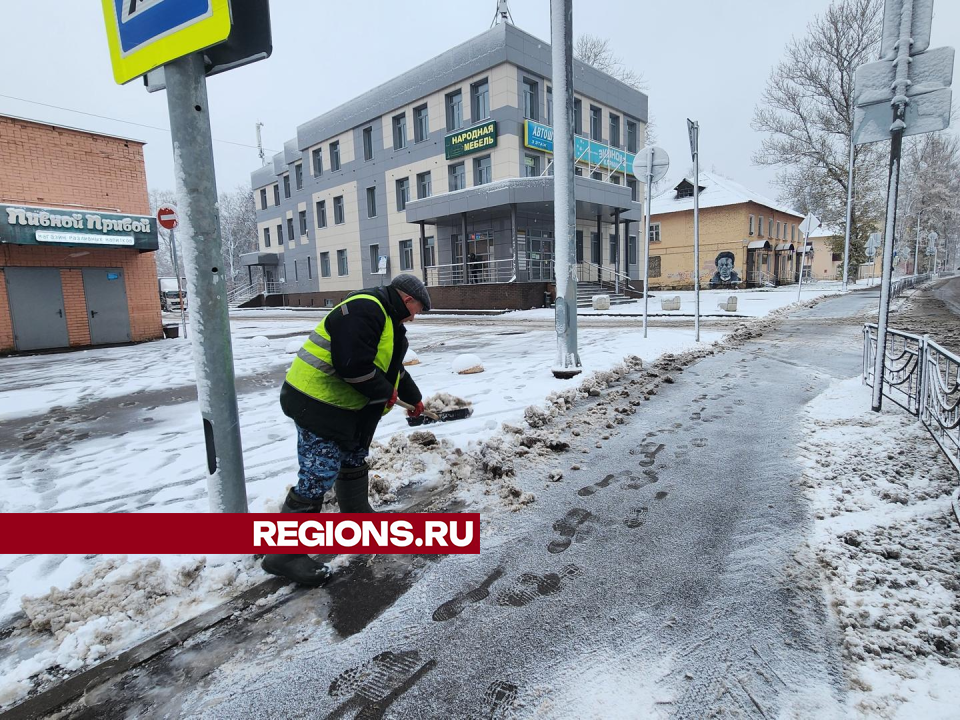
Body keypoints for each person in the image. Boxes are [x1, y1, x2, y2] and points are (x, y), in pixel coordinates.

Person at [262, 274, 432, 586]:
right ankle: (282, 553)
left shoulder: (387, 320)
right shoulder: (366, 309)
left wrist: (414, 398)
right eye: (417, 309)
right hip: (316, 403)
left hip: (343, 408)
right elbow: (351, 363)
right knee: (319, 472)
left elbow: (392, 367)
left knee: (354, 455)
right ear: (407, 300)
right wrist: (385, 391)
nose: (415, 316)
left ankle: (356, 515)